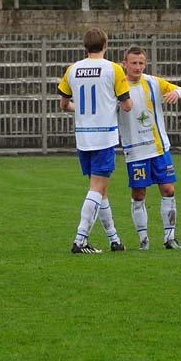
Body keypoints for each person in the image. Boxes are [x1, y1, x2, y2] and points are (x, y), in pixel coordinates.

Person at [58, 27, 133, 254]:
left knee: (101, 190)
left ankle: (114, 239)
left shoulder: (72, 69)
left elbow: (63, 105)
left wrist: (80, 109)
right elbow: (127, 105)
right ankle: (80, 240)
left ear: (84, 47)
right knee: (96, 188)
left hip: (83, 137)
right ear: (106, 44)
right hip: (104, 136)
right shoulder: (114, 69)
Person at [118, 46, 181, 251]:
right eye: (133, 63)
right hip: (135, 150)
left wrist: (176, 93)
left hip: (159, 148)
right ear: (125, 64)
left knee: (168, 189)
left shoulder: (153, 82)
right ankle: (144, 240)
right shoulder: (118, 87)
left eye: (141, 63)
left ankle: (170, 238)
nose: (138, 67)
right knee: (139, 195)